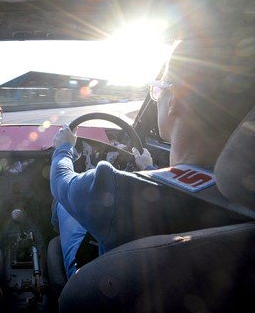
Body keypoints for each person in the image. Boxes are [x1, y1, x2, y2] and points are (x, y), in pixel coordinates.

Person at [50, 35, 255, 279]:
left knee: (64, 206)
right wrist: (150, 168)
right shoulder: (243, 194)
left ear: (174, 101)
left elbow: (60, 181)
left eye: (158, 90)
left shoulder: (115, 189)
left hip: (105, 288)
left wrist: (63, 148)